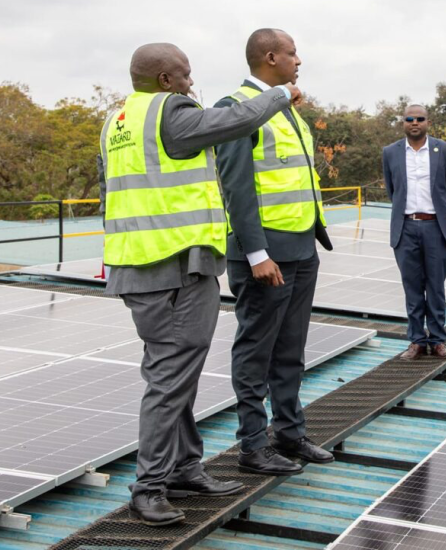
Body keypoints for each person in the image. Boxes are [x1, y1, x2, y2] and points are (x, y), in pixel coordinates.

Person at [100, 42, 300, 526]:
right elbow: (232, 121)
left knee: (174, 372)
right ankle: (150, 487)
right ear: (165, 80)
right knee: (169, 379)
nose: (191, 83)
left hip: (138, 264)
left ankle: (185, 467)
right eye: (185, 75)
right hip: (175, 265)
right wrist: (281, 95)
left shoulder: (118, 121)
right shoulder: (172, 113)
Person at [215, 28, 335, 476]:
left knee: (291, 349)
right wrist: (256, 254)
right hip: (265, 256)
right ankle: (252, 445)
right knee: (256, 351)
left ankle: (289, 432)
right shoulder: (234, 110)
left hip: (301, 246)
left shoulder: (286, 110)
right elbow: (236, 188)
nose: (298, 60)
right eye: (292, 53)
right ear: (270, 58)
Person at [382, 104, 446, 361]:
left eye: (419, 119)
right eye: (409, 119)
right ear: (403, 122)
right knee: (412, 287)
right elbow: (392, 190)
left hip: (435, 227)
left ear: (428, 122)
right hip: (405, 228)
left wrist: (434, 214)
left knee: (436, 287)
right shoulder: (390, 152)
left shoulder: (445, 150)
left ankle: (437, 341)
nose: (414, 122)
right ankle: (416, 340)